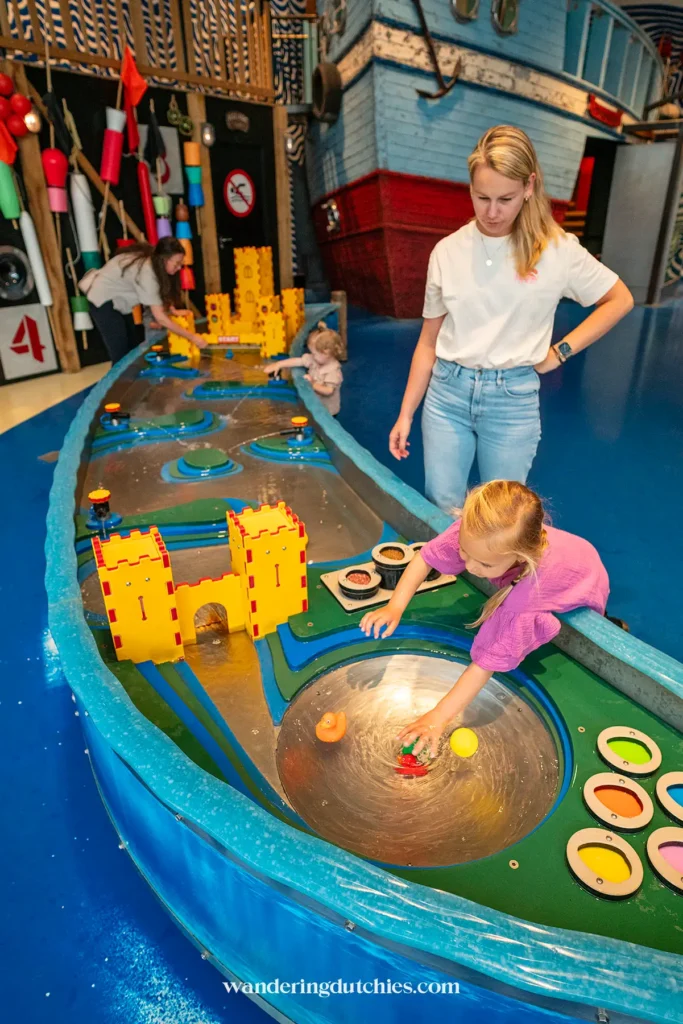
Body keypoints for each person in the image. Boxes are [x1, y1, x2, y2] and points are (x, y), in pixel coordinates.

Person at [389, 125, 634, 513]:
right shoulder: (447, 252)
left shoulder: (556, 250)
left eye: (504, 198)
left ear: (529, 186)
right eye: (481, 196)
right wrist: (405, 413)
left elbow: (619, 299)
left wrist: (560, 353)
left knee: (500, 519)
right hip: (446, 396)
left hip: (512, 401)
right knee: (440, 507)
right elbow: (428, 342)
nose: (491, 212)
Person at [359, 480, 609, 757]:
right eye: (465, 552)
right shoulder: (476, 531)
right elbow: (425, 559)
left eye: (485, 565)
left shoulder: (529, 591)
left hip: (583, 577)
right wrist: (395, 606)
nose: (469, 566)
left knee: (591, 624)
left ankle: (614, 623)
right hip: (569, 550)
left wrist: (439, 716)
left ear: (521, 555)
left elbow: (486, 662)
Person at [80, 238, 207, 363]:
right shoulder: (147, 273)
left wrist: (172, 310)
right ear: (164, 259)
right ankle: (120, 382)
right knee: (120, 354)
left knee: (132, 350)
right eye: (177, 263)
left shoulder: (153, 260)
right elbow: (160, 318)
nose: (179, 267)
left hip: (117, 302)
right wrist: (193, 338)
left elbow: (160, 295)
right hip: (102, 301)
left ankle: (130, 378)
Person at [262, 322, 344, 414]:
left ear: (326, 353)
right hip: (315, 405)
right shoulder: (315, 360)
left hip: (328, 411)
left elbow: (329, 391)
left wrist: (312, 384)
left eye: (314, 354)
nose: (312, 355)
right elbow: (298, 361)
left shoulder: (333, 371)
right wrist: (278, 364)